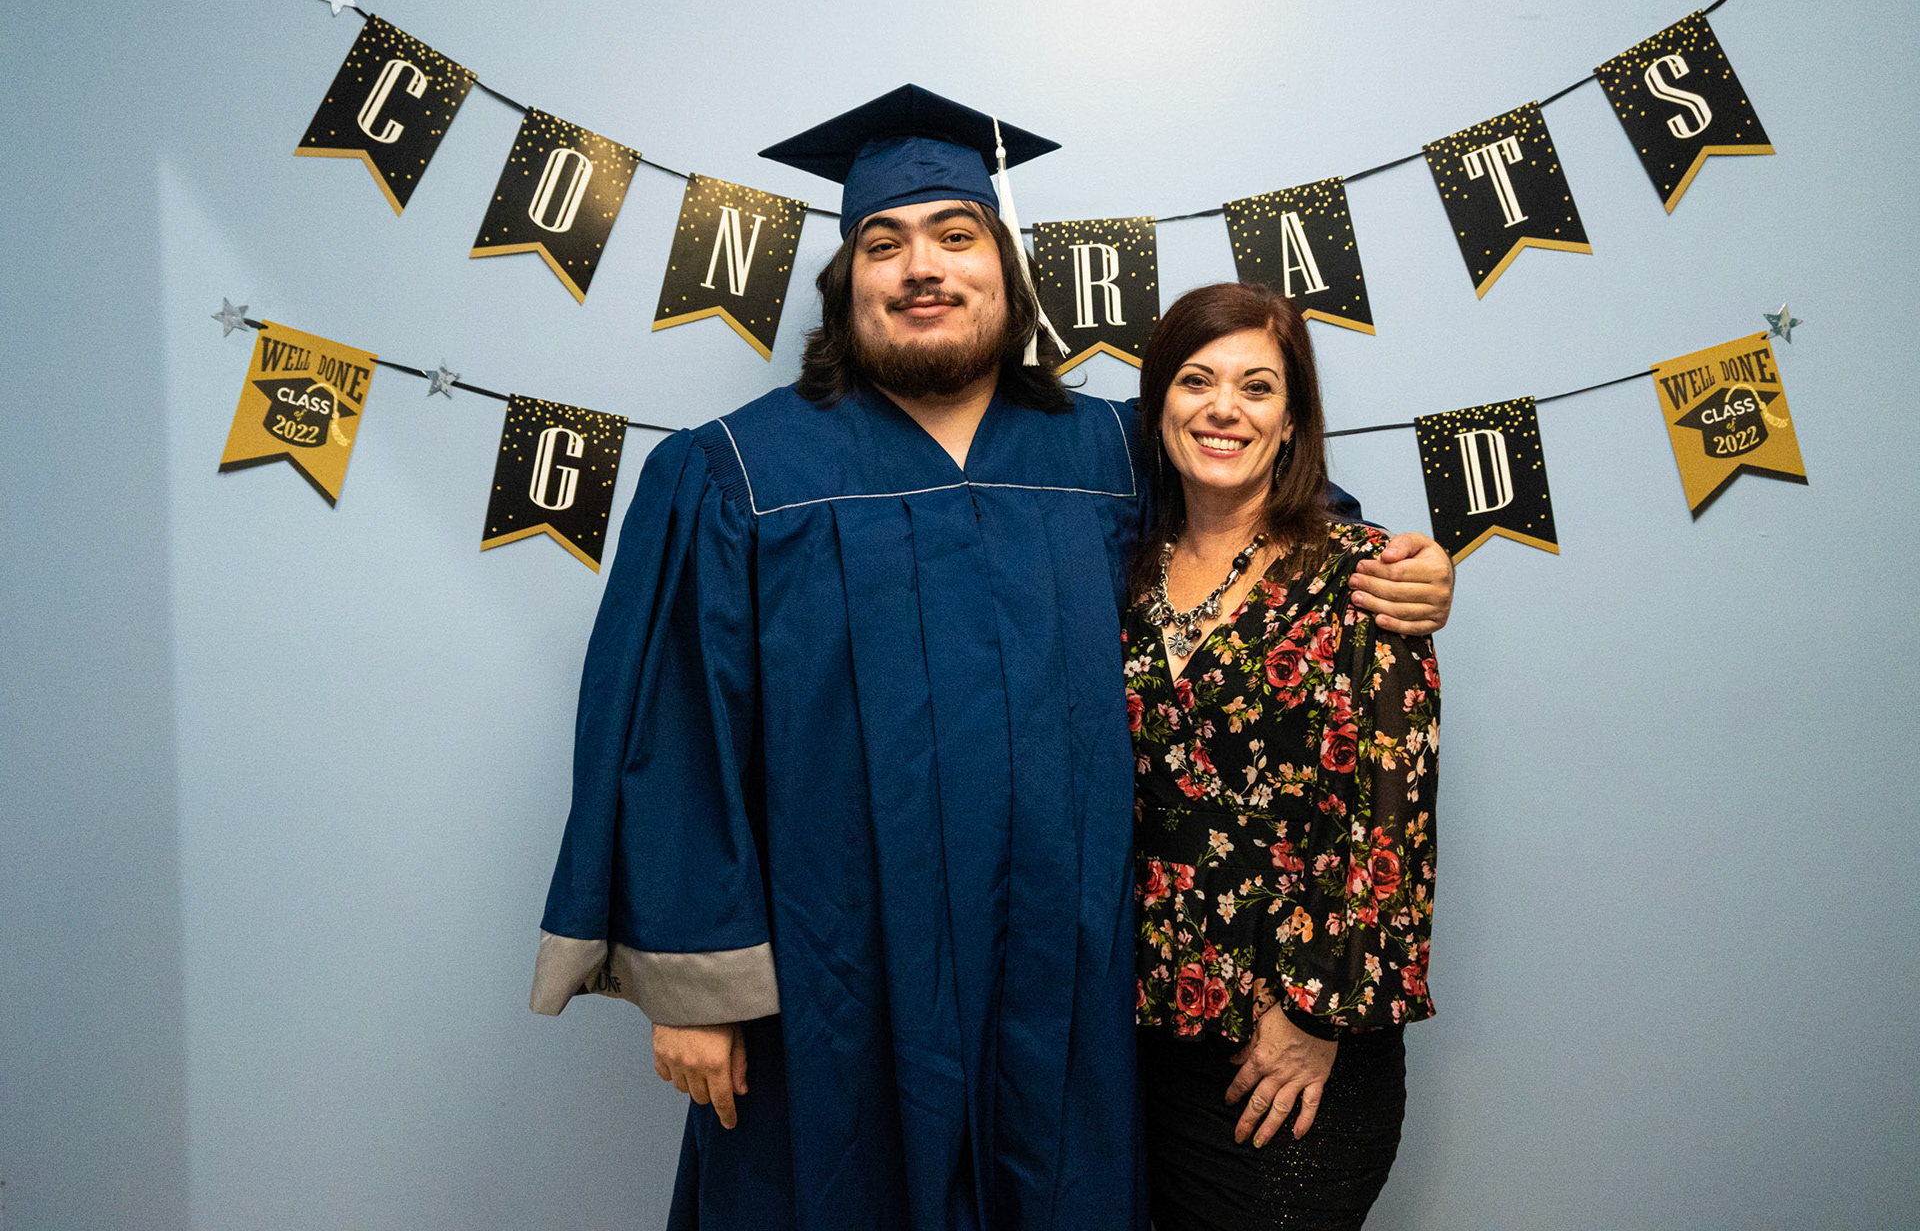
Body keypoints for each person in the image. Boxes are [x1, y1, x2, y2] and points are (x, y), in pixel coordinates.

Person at [529, 86, 1455, 1231]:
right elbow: (677, 736)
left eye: (955, 236)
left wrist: (1399, 567)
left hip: (1062, 986)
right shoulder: (740, 473)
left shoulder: (1103, 449)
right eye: (885, 243)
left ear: (1006, 272)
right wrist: (694, 983)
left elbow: (1259, 513)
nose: (922, 267)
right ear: (848, 281)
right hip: (838, 983)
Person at [1125, 281, 1439, 1230]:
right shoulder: (1124, 574)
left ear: (1293, 419)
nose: (1223, 408)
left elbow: (1393, 819)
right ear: (1158, 405)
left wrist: (1316, 1018)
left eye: (1256, 387)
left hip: (1289, 1045)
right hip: (1142, 1031)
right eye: (1196, 381)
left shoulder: (1365, 574)